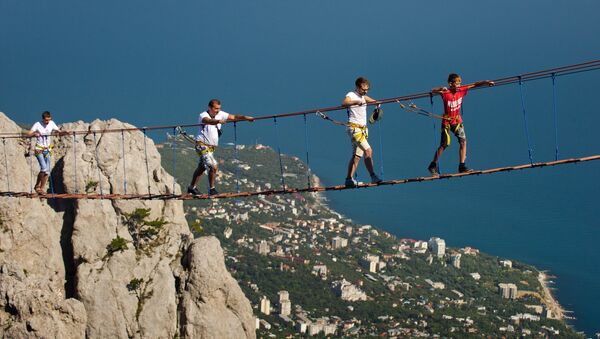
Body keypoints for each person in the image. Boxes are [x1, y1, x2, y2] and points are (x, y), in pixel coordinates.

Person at [427, 73, 494, 176]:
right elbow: (433, 90)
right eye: (456, 83)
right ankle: (432, 165)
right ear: (450, 84)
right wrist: (441, 88)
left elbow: (475, 84)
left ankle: (462, 166)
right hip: (447, 121)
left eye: (459, 83)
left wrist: (486, 82)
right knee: (444, 144)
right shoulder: (445, 93)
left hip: (457, 120)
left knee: (463, 141)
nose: (458, 86)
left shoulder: (462, 90)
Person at [187, 99, 254, 196]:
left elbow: (234, 117)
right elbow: (208, 121)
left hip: (211, 148)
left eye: (219, 108)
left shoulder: (220, 114)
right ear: (209, 108)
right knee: (213, 166)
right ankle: (212, 189)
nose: (218, 110)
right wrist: (218, 121)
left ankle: (191, 188)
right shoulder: (203, 115)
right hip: (202, 145)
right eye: (215, 108)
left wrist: (245, 117)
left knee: (201, 168)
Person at [342, 77, 382, 187]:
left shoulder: (363, 96)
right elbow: (344, 103)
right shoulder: (352, 94)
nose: (365, 91)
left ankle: (348, 179)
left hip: (362, 130)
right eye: (363, 89)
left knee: (357, 156)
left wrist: (377, 104)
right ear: (357, 87)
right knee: (368, 151)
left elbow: (373, 101)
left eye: (367, 89)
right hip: (355, 129)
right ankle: (373, 176)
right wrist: (355, 102)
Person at [26, 111, 65, 194]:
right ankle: (37, 186)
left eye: (49, 120)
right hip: (39, 149)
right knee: (43, 168)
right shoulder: (37, 124)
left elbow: (59, 131)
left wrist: (65, 133)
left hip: (47, 150)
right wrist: (34, 133)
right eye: (46, 120)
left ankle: (42, 188)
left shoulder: (51, 123)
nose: (47, 122)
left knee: (47, 171)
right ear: (43, 119)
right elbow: (28, 134)